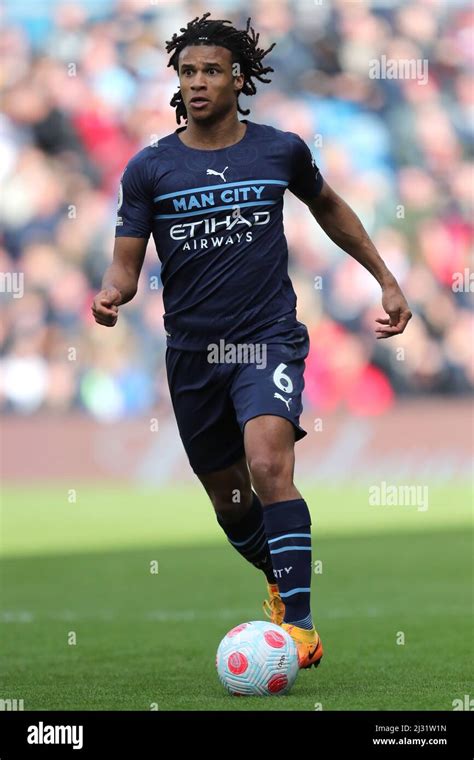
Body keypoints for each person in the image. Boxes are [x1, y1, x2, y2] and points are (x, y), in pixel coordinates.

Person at [92, 13, 412, 670]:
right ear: (176, 81)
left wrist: (384, 277)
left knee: (269, 466)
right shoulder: (150, 169)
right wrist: (112, 293)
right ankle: (276, 577)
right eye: (188, 71)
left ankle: (299, 626)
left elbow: (328, 206)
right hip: (193, 355)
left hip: (265, 341)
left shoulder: (279, 151)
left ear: (238, 78)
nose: (199, 81)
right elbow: (125, 263)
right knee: (231, 501)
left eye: (212, 70)